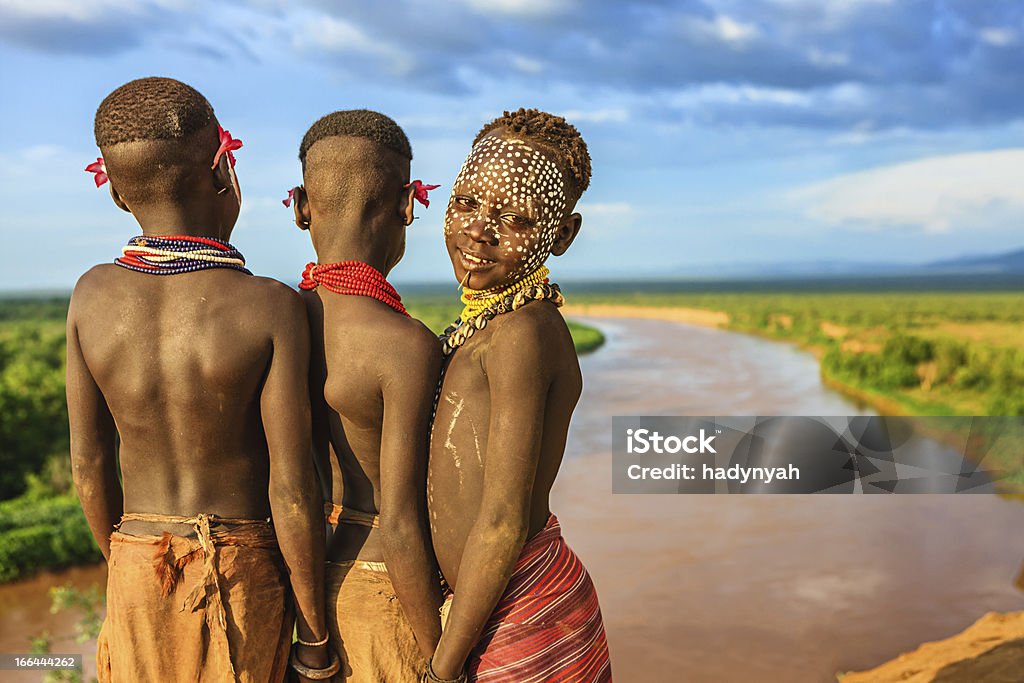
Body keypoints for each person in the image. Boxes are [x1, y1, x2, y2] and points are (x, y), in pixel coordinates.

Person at [67, 77, 333, 682]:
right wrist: (314, 640)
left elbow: (88, 466)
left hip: (134, 559)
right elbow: (293, 490)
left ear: (114, 193)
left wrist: (126, 570)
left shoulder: (92, 296)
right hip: (240, 574)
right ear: (223, 171)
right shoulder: (268, 306)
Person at [426, 108, 612, 682]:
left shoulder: (522, 333)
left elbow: (504, 522)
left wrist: (441, 669)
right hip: (500, 609)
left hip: (524, 613)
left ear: (562, 235)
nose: (480, 231)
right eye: (466, 204)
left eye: (515, 219)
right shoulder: (492, 325)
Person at [288, 109, 443, 682]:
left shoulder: (276, 319)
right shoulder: (406, 347)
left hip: (298, 594)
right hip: (385, 587)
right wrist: (442, 658)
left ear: (301, 205)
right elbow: (399, 522)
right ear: (407, 204)